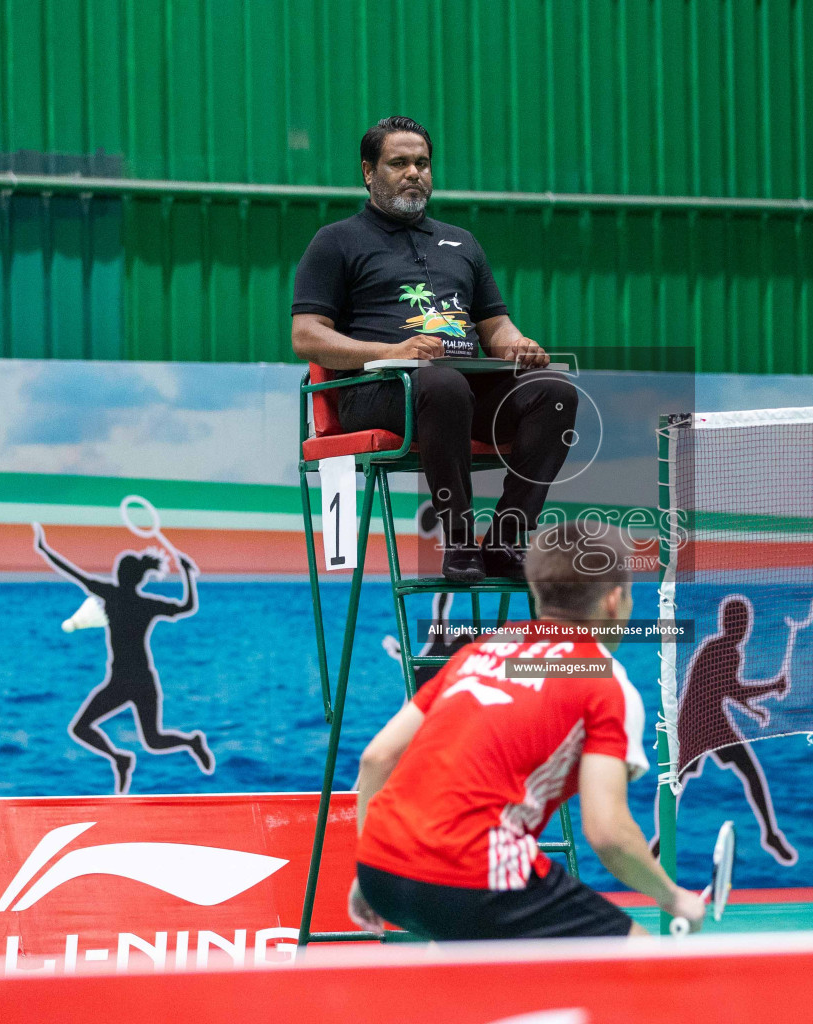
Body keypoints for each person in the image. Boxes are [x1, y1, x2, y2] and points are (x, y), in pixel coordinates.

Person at [347, 521, 705, 940]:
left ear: (538, 593)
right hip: (474, 873)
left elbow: (376, 757)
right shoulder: (604, 683)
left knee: (460, 947)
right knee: (646, 970)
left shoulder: (481, 652)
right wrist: (672, 897)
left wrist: (370, 867)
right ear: (614, 600)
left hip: (380, 866)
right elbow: (607, 832)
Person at [291, 115, 578, 583]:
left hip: (463, 388)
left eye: (422, 163)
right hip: (381, 392)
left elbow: (495, 326)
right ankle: (459, 540)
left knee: (553, 391)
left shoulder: (462, 242)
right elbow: (306, 335)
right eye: (398, 163)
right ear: (368, 172)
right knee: (441, 383)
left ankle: (507, 540)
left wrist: (518, 344)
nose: (414, 173)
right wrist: (391, 351)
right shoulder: (335, 241)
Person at [33, 524, 213, 794]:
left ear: (123, 576)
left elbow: (74, 574)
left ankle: (162, 749)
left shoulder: (114, 595)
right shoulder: (145, 603)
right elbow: (187, 605)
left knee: (86, 729)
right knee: (150, 740)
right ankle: (127, 757)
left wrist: (45, 549)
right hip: (131, 681)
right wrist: (188, 575)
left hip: (130, 681)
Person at [659, 595, 797, 866]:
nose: (743, 628)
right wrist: (772, 686)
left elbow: (726, 692)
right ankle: (661, 841)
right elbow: (733, 691)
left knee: (747, 774)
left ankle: (769, 834)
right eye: (738, 622)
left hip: (711, 719)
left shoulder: (725, 649)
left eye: (745, 622)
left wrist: (754, 710)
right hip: (699, 723)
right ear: (727, 624)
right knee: (680, 781)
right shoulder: (723, 650)